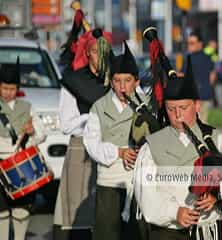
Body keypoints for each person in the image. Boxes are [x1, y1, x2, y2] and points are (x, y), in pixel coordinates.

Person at [134, 56, 222, 240]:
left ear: (197, 105)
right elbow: (145, 194)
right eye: (171, 109)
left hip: (207, 231)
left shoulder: (215, 139)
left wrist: (220, 192)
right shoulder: (152, 146)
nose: (178, 115)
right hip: (167, 233)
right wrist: (174, 212)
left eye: (184, 107)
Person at [53, 28, 112, 240]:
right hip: (82, 151)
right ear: (87, 53)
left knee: (110, 218)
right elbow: (67, 125)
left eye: (104, 51)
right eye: (95, 51)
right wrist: (93, 119)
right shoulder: (73, 81)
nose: (100, 56)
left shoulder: (119, 79)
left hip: (112, 151)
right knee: (80, 218)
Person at [83, 41, 144, 240]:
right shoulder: (99, 107)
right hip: (109, 181)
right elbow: (91, 144)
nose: (122, 87)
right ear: (111, 82)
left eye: (127, 80)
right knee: (107, 233)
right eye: (117, 81)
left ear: (136, 81)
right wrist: (119, 152)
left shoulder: (146, 107)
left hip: (139, 182)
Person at [0, 58, 46, 240]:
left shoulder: (28, 107)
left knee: (22, 208)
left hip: (21, 163)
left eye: (11, 89)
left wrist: (32, 130)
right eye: (4, 88)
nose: (7, 93)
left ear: (17, 88)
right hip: (1, 163)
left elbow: (42, 134)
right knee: (1, 209)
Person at [183, 31, 216, 122]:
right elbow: (212, 77)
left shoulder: (188, 58)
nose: (189, 46)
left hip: (194, 98)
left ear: (200, 44)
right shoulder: (208, 58)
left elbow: (182, 76)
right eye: (188, 43)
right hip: (204, 96)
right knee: (201, 124)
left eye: (192, 43)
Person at [204, 40, 220, 109]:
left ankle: (215, 103)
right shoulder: (210, 52)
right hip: (210, 73)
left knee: (212, 89)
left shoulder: (207, 51)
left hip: (209, 73)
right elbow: (214, 65)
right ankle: (214, 103)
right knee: (211, 88)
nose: (215, 46)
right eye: (214, 45)